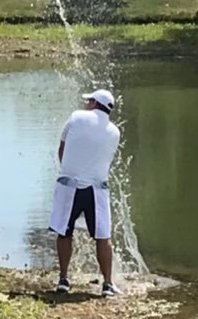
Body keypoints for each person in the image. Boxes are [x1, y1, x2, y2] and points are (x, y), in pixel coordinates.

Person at [49, 89, 121, 297]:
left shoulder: (76, 117)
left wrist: (68, 170)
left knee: (65, 232)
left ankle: (63, 279)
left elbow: (62, 149)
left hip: (69, 184)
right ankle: (107, 283)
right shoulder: (115, 132)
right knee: (103, 236)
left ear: (94, 103)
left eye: (89, 100)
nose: (86, 104)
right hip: (97, 188)